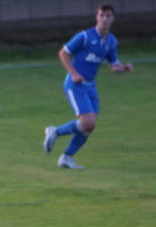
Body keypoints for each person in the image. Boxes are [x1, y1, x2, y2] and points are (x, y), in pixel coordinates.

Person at [43, 3, 133, 169]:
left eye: (108, 16)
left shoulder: (111, 41)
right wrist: (74, 74)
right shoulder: (84, 36)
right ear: (96, 17)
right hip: (75, 84)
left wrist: (124, 68)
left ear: (113, 18)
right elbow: (63, 53)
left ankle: (66, 157)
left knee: (89, 127)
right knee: (88, 122)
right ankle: (54, 131)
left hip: (91, 86)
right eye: (102, 15)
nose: (105, 19)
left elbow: (113, 65)